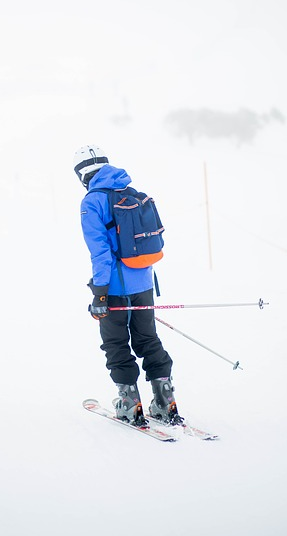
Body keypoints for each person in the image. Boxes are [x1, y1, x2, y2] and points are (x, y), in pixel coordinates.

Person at [74, 144, 182, 426]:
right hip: (144, 282)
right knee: (147, 339)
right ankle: (165, 401)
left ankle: (129, 404)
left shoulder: (91, 202)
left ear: (82, 174)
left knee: (116, 343)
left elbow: (100, 253)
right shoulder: (131, 193)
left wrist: (100, 294)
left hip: (114, 288)